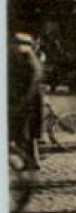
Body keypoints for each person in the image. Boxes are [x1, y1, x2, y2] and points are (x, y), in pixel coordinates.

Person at [8, 33, 44, 171]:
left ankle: (31, 161)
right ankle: (33, 161)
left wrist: (23, 100)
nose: (13, 47)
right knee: (28, 135)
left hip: (29, 103)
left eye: (16, 44)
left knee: (24, 134)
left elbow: (33, 83)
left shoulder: (29, 60)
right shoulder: (25, 59)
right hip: (27, 102)